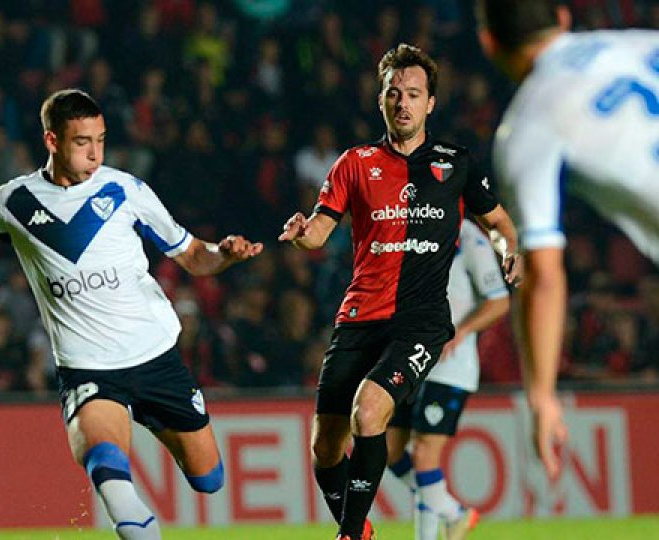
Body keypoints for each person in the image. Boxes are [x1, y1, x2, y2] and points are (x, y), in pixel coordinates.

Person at [0, 88, 263, 539]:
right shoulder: (13, 201)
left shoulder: (126, 190)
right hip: (88, 369)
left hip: (156, 357)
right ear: (52, 141)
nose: (96, 152)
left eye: (100, 139)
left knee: (208, 479)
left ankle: (151, 420)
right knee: (107, 463)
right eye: (83, 142)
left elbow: (194, 255)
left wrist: (225, 254)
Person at [278, 44, 520, 540]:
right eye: (394, 93)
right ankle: (361, 529)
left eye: (414, 94)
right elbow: (320, 233)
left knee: (369, 414)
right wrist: (303, 232)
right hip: (359, 317)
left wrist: (506, 248)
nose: (403, 103)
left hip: (421, 321)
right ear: (381, 99)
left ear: (431, 102)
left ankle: (349, 535)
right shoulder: (354, 164)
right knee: (325, 447)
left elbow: (497, 222)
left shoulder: (456, 164)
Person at [475, 0, 659, 480]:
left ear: (489, 42)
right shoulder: (642, 41)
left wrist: (540, 395)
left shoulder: (529, 125)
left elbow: (542, 274)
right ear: (562, 17)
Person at [386, 218, 510, 540]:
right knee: (388, 451)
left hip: (450, 364)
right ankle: (454, 512)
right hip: (408, 357)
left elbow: (499, 299)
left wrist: (461, 331)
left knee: (425, 453)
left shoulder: (467, 236)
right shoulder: (397, 226)